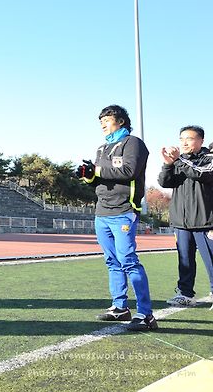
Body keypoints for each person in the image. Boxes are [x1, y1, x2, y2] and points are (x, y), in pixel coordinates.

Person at [76, 104, 157, 331]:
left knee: (128, 260)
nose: (103, 124)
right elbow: (99, 180)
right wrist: (88, 176)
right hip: (102, 212)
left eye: (107, 119)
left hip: (124, 211)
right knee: (111, 261)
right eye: (100, 121)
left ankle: (146, 314)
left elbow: (129, 171)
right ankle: (120, 307)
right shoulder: (102, 148)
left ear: (121, 121)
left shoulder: (133, 143)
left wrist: (97, 171)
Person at [158, 125, 213, 307]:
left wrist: (178, 160)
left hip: (205, 221)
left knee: (211, 261)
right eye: (181, 139)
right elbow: (165, 182)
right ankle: (185, 294)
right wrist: (168, 164)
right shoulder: (179, 161)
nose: (184, 143)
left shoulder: (209, 158)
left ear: (201, 141)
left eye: (189, 138)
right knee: (185, 261)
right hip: (181, 222)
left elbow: (200, 173)